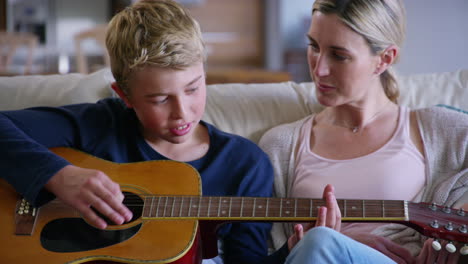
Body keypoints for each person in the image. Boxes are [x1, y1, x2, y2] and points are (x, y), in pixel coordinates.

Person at [0, 0, 367, 263]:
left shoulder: (244, 164)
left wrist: (293, 251)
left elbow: (245, 259)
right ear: (124, 95)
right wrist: (58, 176)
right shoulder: (102, 124)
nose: (182, 112)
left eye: (193, 89)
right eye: (159, 99)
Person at [259, 0, 468, 263]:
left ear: (384, 59)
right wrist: (339, 244)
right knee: (320, 241)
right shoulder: (281, 145)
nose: (319, 69)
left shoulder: (438, 130)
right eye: (314, 46)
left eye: (339, 55)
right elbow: (260, 250)